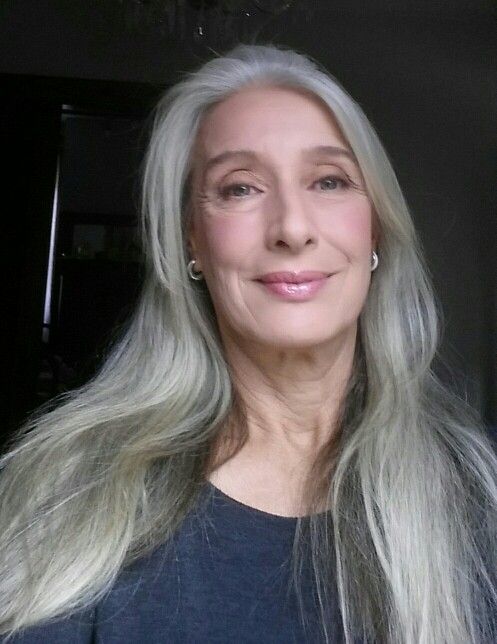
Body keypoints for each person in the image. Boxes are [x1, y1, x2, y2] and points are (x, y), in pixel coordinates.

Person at [0, 42, 496, 644]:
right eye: (240, 188)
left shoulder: (476, 492)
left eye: (330, 180)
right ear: (192, 240)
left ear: (376, 229)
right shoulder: (66, 491)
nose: (292, 228)